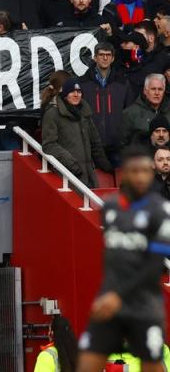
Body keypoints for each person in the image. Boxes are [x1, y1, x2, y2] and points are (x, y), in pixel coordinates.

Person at [76, 148, 170, 372]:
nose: (140, 177)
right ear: (124, 174)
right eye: (134, 171)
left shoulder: (161, 211)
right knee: (87, 363)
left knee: (151, 363)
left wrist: (117, 295)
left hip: (143, 305)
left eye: (146, 171)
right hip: (110, 303)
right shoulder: (110, 207)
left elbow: (154, 266)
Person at [41, 77, 111, 188]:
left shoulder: (85, 113)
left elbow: (95, 142)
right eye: (72, 91)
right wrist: (72, 165)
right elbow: (49, 145)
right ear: (65, 94)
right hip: (68, 175)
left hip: (89, 176)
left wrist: (105, 164)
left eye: (79, 92)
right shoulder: (52, 114)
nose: (76, 95)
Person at [82, 42, 132, 163]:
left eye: (108, 55)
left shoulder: (123, 83)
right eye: (101, 55)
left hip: (117, 146)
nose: (105, 58)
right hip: (91, 146)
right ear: (95, 57)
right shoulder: (82, 83)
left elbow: (129, 112)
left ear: (113, 58)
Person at [121, 74, 170, 147]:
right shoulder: (130, 114)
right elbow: (122, 145)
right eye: (153, 89)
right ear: (145, 91)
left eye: (160, 89)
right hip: (141, 157)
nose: (157, 93)